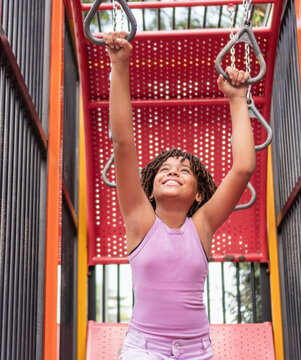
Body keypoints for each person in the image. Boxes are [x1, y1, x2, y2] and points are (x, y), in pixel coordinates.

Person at [103, 31, 256, 360]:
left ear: (199, 195)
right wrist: (119, 65)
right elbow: (123, 144)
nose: (173, 171)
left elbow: (243, 168)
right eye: (165, 169)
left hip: (196, 351)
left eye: (185, 170)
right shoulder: (140, 220)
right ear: (151, 188)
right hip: (144, 349)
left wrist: (237, 99)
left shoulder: (201, 227)